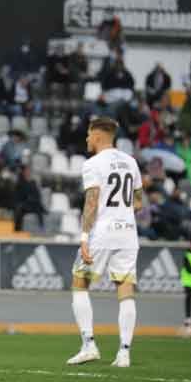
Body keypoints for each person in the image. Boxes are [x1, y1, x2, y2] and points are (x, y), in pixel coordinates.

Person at [67, 117, 143, 368]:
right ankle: (124, 353)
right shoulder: (131, 162)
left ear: (98, 136)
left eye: (89, 135)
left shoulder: (93, 164)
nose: (87, 139)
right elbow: (139, 201)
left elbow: (91, 202)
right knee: (125, 287)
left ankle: (89, 344)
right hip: (128, 233)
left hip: (103, 232)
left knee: (80, 282)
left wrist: (84, 238)